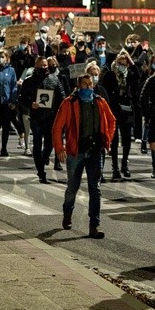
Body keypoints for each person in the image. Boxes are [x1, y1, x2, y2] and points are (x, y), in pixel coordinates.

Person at [53, 74, 116, 238]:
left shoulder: (100, 102)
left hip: (95, 152)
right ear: (78, 86)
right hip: (76, 152)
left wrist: (106, 140)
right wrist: (60, 148)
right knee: (72, 188)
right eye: (85, 85)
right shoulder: (69, 103)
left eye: (91, 84)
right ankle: (67, 213)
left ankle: (94, 225)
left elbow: (112, 121)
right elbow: (57, 127)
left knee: (95, 189)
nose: (88, 87)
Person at [19, 56, 66, 183]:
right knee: (37, 144)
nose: (43, 68)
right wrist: (31, 104)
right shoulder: (29, 81)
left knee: (50, 143)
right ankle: (41, 171)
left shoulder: (54, 79)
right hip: (36, 117)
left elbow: (62, 97)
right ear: (36, 66)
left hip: (51, 117)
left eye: (45, 66)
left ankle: (44, 158)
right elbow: (22, 98)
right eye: (40, 66)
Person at [101, 50, 141, 179]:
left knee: (127, 138)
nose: (122, 65)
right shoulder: (110, 75)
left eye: (124, 63)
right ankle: (115, 167)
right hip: (114, 108)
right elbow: (105, 91)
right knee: (114, 139)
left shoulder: (129, 74)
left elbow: (138, 75)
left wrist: (130, 60)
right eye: (120, 63)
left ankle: (124, 163)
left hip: (127, 110)